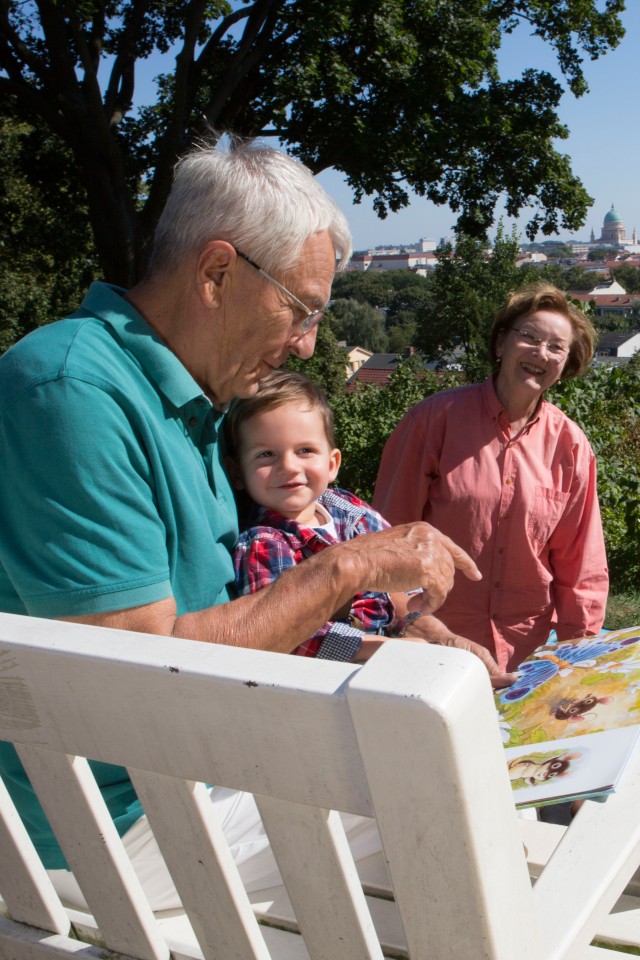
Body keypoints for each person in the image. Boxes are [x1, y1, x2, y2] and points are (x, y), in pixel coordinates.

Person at [0, 137, 487, 911]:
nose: (307, 344)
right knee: (451, 792)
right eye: (301, 310)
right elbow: (130, 673)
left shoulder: (200, 403)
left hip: (195, 767)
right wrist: (346, 568)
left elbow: (239, 610)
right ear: (217, 273)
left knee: (458, 745)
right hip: (110, 828)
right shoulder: (69, 391)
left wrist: (393, 633)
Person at [374, 283, 609, 672]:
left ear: (566, 366)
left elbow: (580, 563)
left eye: (556, 347)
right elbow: (388, 534)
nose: (540, 353)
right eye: (529, 337)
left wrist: (578, 655)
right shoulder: (434, 421)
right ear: (501, 344)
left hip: (524, 651)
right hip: (432, 643)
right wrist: (408, 622)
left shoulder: (571, 446)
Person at [225, 368, 513, 677]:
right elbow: (283, 635)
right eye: (266, 455)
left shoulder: (346, 509)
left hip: (389, 665)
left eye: (305, 450)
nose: (289, 466)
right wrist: (386, 650)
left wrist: (435, 635)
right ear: (239, 473)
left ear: (332, 463)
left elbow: (395, 589)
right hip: (328, 685)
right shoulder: (264, 542)